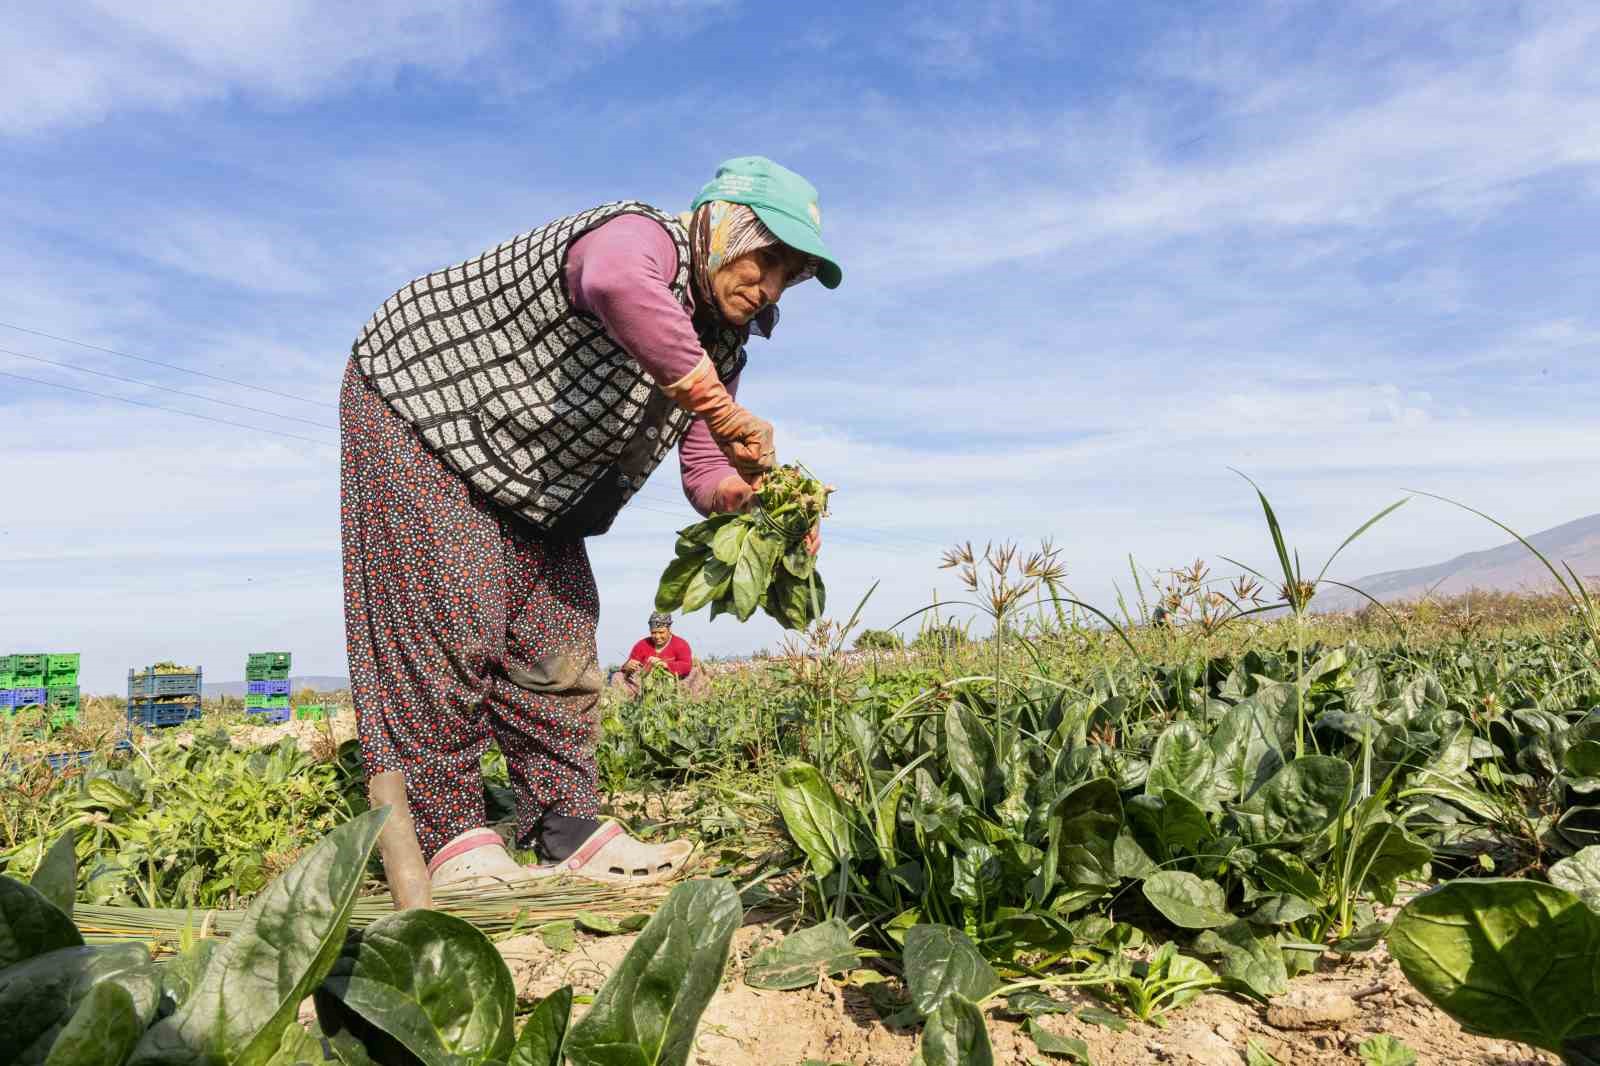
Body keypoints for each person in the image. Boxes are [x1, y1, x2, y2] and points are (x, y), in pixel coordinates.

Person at [341, 156, 840, 890]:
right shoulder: (645, 239)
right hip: (428, 412)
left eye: (787, 275)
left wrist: (758, 502)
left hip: (540, 477)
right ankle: (448, 835)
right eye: (765, 258)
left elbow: (704, 472)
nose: (767, 286)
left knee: (561, 635)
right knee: (452, 615)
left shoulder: (722, 344)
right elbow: (613, 280)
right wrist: (720, 406)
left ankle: (567, 824)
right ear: (722, 226)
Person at [610, 611, 707, 698]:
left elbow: (686, 666)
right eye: (653, 633)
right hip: (644, 686)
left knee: (695, 672)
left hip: (673, 685)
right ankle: (630, 703)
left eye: (661, 632)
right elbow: (628, 667)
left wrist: (665, 665)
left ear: (669, 630)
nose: (657, 636)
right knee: (617, 676)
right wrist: (627, 666)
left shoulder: (680, 644)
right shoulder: (642, 645)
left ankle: (688, 701)